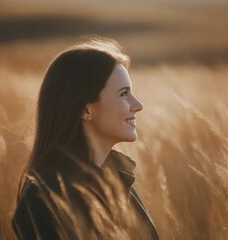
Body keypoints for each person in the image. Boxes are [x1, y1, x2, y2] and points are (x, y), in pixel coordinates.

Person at [12, 37, 159, 240]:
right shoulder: (44, 198)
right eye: (124, 94)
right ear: (86, 109)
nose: (138, 105)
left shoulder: (118, 179)